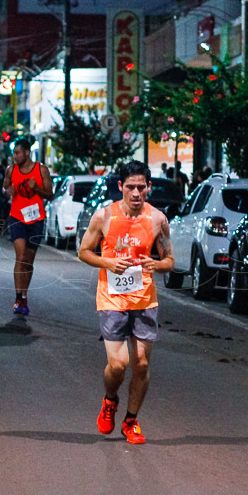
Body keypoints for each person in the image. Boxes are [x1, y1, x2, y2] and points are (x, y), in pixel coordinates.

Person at [78, 160, 175, 445]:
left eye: (141, 187)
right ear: (121, 187)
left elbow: (170, 261)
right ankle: (110, 401)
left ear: (149, 188)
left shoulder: (158, 219)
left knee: (141, 364)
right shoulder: (104, 216)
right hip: (112, 299)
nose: (135, 193)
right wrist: (107, 261)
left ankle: (131, 421)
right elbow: (84, 252)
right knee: (118, 365)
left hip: (145, 300)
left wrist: (156, 264)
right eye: (130, 187)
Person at [4, 138, 53, 315]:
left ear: (27, 152)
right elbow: (6, 187)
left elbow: (50, 195)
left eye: (17, 153)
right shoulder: (11, 170)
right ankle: (18, 297)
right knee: (21, 255)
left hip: (36, 219)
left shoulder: (41, 170)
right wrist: (8, 190)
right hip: (17, 217)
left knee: (29, 260)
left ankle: (24, 296)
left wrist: (37, 188)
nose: (15, 156)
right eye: (13, 153)